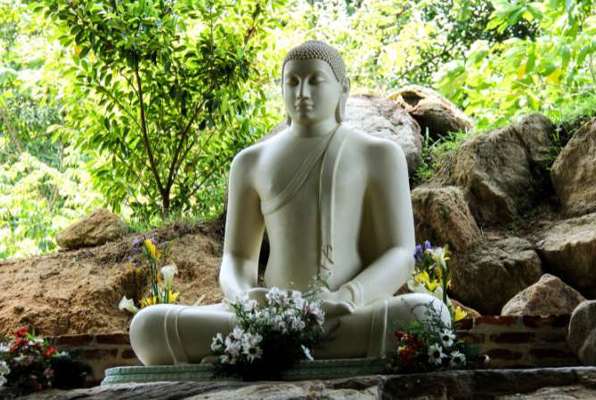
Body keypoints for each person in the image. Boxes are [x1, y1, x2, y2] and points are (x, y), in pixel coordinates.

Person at [130, 40, 450, 365]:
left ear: (342, 88)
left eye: (315, 81)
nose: (302, 93)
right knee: (148, 327)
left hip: (341, 314)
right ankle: (281, 342)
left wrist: (347, 297)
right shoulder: (251, 162)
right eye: (292, 82)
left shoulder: (377, 154)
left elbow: (399, 253)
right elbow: (238, 256)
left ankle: (262, 351)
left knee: (427, 314)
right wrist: (244, 301)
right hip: (268, 316)